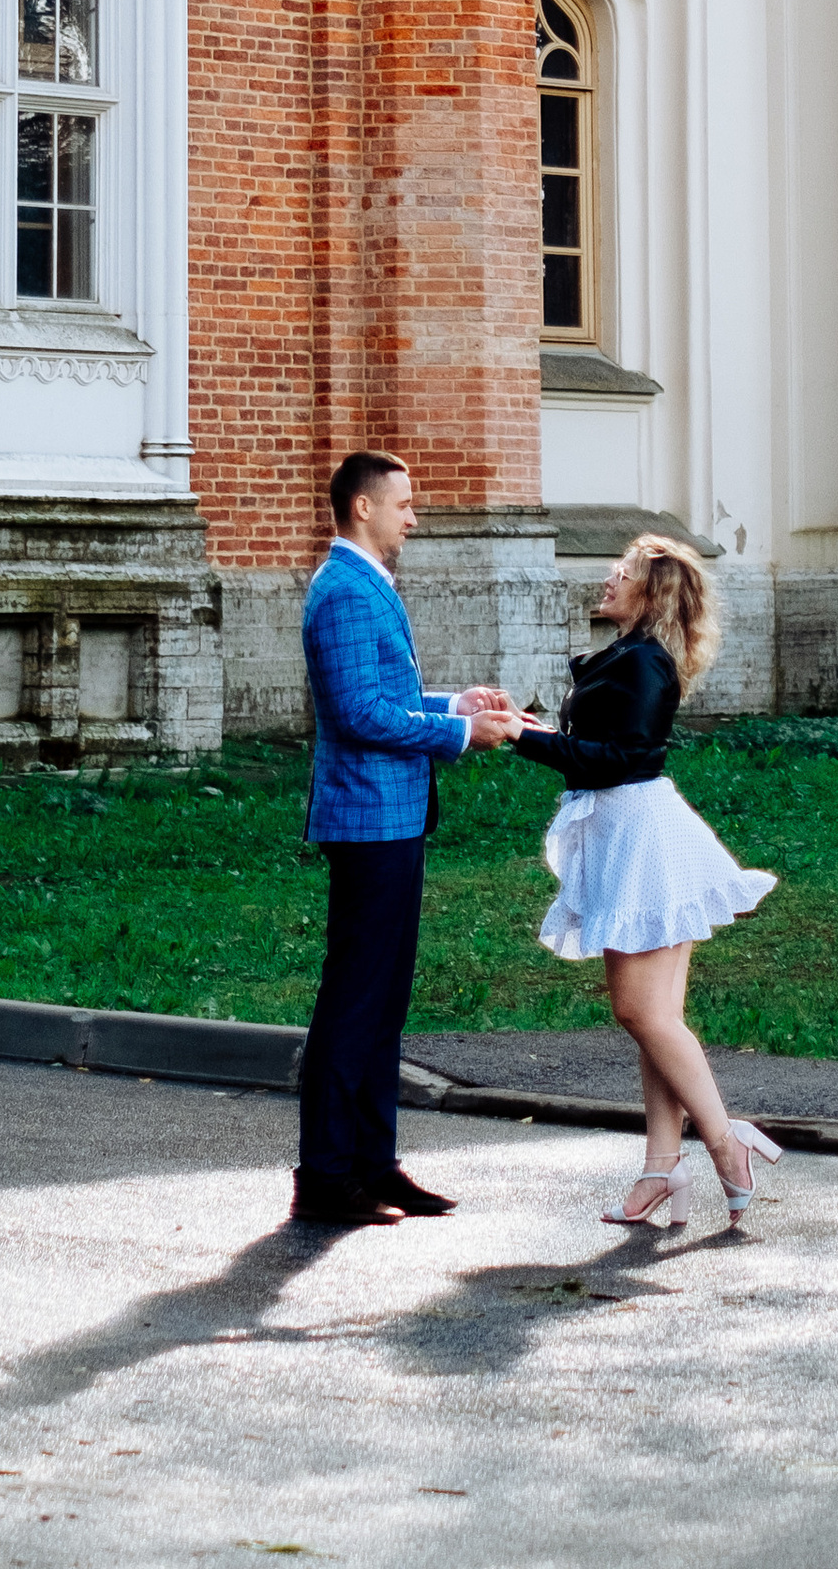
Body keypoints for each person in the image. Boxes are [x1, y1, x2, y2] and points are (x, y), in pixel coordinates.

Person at [506, 532, 781, 1233]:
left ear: (649, 592)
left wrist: (519, 737)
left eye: (620, 573)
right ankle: (662, 1167)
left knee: (640, 1011)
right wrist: (534, 727)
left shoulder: (645, 665)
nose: (607, 580)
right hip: (631, 833)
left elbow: (617, 759)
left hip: (640, 838)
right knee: (657, 1020)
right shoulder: (631, 657)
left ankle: (725, 1143)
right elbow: (604, 747)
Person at [292, 448, 517, 1228]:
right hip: (368, 819)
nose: (413, 518)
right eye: (404, 505)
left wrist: (453, 701)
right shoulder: (345, 590)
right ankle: (324, 1176)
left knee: (383, 1002)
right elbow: (357, 714)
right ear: (363, 508)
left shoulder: (364, 584)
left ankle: (372, 1163)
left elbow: (382, 695)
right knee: (355, 1000)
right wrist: (458, 732)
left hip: (393, 815)